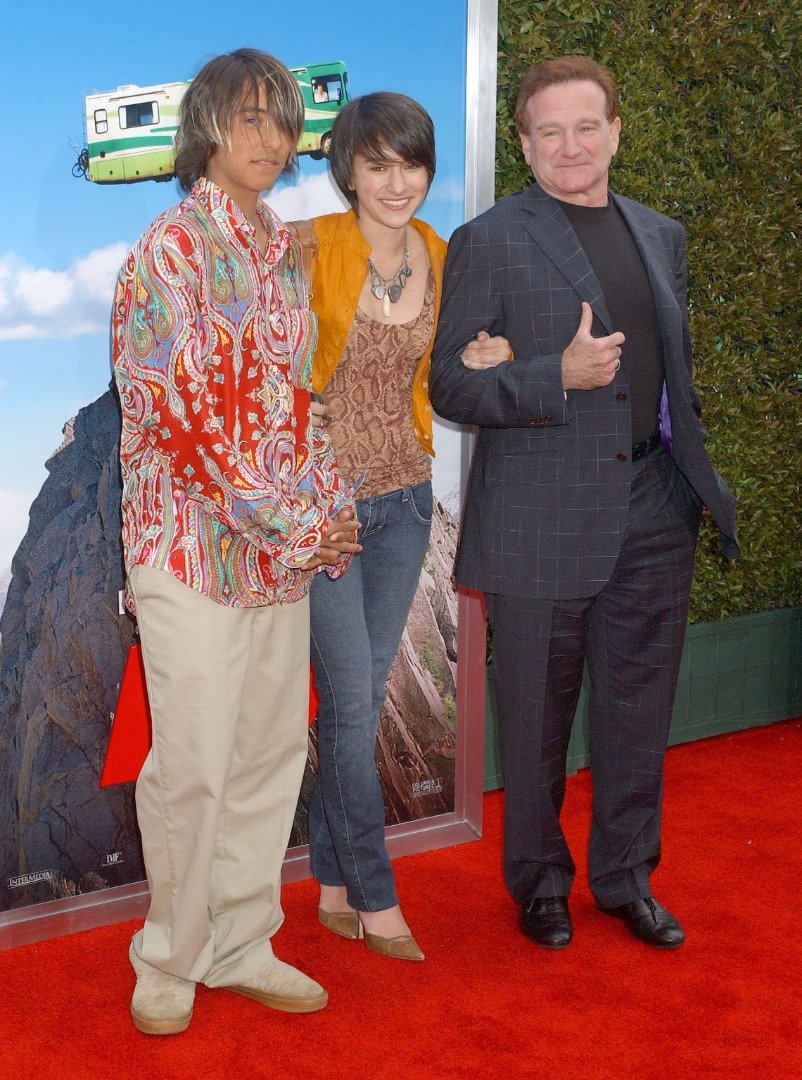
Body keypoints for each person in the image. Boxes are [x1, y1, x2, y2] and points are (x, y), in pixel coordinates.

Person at [430, 55, 738, 951]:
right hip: (538, 518)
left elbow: (671, 374)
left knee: (638, 714)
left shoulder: (660, 234)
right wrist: (548, 377)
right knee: (532, 722)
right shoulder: (490, 239)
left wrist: (688, 484)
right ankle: (539, 886)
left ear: (615, 132)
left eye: (587, 126)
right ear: (524, 145)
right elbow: (452, 384)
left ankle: (627, 879)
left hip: (654, 507)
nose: (571, 145)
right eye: (550, 131)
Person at [111, 48, 360, 1035]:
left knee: (265, 754)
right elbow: (189, 424)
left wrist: (328, 503)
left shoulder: (285, 251)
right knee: (196, 764)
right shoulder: (168, 250)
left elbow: (299, 404)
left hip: (278, 552)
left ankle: (242, 942)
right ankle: (168, 955)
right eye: (248, 119)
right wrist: (304, 520)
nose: (269, 139)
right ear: (206, 130)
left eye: (282, 121)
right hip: (186, 549)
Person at [289, 93, 508, 961]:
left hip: (407, 500)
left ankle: (334, 883)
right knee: (348, 704)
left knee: (362, 701)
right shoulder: (306, 247)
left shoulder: (443, 255)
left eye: (411, 164)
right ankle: (378, 897)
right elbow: (270, 374)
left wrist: (486, 359)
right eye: (376, 164)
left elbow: (451, 368)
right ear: (347, 169)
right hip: (324, 512)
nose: (396, 182)